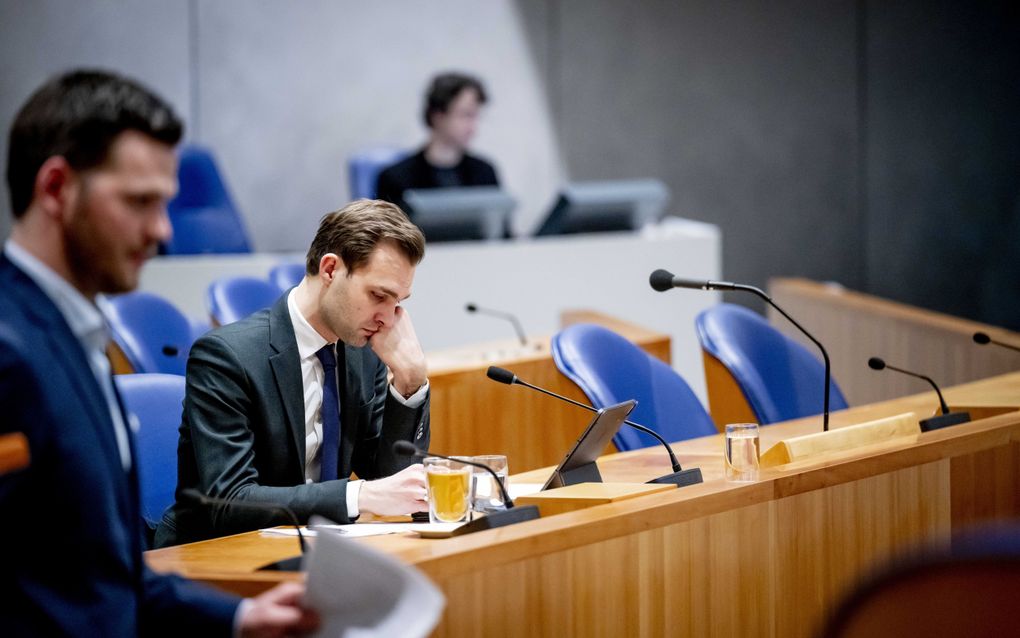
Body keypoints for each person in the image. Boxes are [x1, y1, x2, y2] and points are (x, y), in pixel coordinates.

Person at [0, 69, 318, 636]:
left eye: (165, 203)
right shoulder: (8, 349)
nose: (162, 229)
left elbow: (109, 575)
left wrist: (242, 616)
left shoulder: (78, 339)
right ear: (55, 189)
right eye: (139, 201)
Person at [155, 199, 431, 547]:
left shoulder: (363, 352)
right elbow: (228, 501)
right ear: (330, 269)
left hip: (312, 550)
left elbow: (390, 481)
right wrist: (357, 496)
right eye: (379, 295)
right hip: (215, 554)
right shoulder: (227, 357)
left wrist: (410, 382)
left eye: (398, 302)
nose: (388, 318)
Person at [375, 71, 499, 218]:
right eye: (466, 115)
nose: (473, 127)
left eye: (475, 116)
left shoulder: (484, 172)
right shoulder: (396, 178)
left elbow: (502, 236)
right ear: (438, 116)